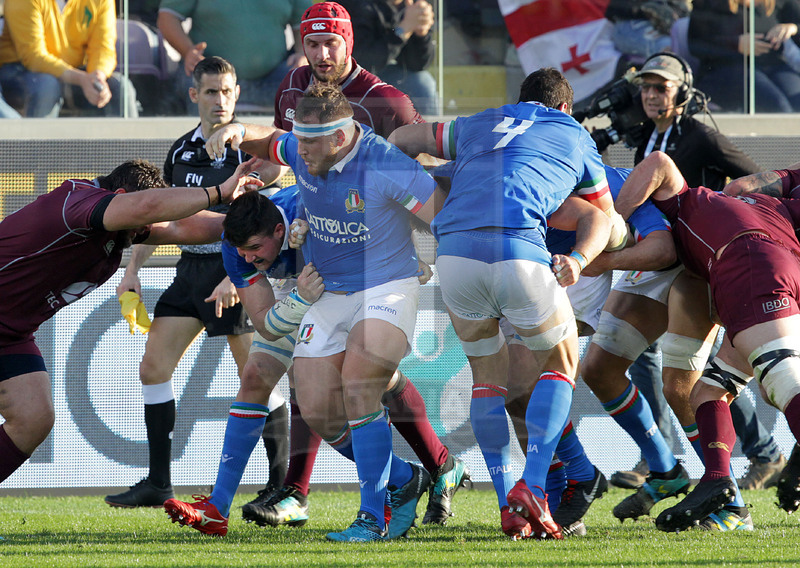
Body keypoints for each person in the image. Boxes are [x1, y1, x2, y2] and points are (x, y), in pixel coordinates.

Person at [247, 1, 469, 531]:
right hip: (323, 259)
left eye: (332, 42)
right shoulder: (292, 88)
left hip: (386, 266)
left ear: (351, 42)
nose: (322, 53)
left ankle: (319, 495)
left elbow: (426, 177)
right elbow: (285, 154)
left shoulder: (386, 102)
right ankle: (428, 469)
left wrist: (425, 251)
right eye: (313, 43)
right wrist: (269, 193)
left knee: (361, 379)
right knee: (324, 386)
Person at [193, 83, 447, 542]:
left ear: (340, 136)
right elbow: (271, 140)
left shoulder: (385, 163)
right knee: (315, 408)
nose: (299, 151)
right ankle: (406, 478)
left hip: (385, 286)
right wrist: (237, 130)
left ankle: (372, 516)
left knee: (359, 384)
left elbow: (444, 218)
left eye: (309, 142)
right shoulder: (303, 151)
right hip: (326, 293)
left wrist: (441, 263)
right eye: (299, 139)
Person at [389, 67, 625, 540]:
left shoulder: (479, 123)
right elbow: (604, 217)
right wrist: (580, 259)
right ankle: (534, 486)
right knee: (561, 363)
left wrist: (423, 191)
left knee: (488, 380)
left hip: (454, 257)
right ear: (565, 108)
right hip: (519, 253)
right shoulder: (573, 133)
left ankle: (506, 504)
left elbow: (399, 138)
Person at [0, 158, 262, 486]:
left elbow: (180, 227)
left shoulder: (114, 223)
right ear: (121, 197)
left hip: (11, 334)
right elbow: (145, 206)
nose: (143, 231)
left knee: (33, 417)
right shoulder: (77, 203)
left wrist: (253, 221)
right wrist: (219, 192)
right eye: (142, 223)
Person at [103, 57, 287, 508]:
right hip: (189, 271)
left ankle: (282, 487)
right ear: (194, 95)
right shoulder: (180, 151)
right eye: (210, 91)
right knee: (152, 368)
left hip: (237, 273)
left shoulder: (254, 148)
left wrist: (234, 276)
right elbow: (160, 215)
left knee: (258, 377)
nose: (219, 100)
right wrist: (132, 270)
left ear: (237, 94)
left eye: (226, 91)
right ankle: (158, 483)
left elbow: (272, 207)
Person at [611, 51, 785, 492]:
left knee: (698, 367)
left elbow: (754, 178)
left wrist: (727, 213)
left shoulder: (702, 136)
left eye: (662, 87)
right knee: (651, 356)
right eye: (646, 87)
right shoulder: (645, 136)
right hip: (664, 259)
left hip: (700, 263)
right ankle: (664, 456)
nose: (651, 95)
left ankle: (759, 453)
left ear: (683, 93)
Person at [616, 151, 800, 531]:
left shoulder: (687, 202)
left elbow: (660, 163)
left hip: (749, 262)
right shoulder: (774, 205)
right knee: (707, 391)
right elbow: (743, 186)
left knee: (781, 379)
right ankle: (719, 481)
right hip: (775, 265)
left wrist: (613, 221)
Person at [162, 187, 321, 537]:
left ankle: (415, 473)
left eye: (254, 248)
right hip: (301, 288)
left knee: (355, 394)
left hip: (345, 286)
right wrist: (299, 299)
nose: (246, 258)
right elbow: (265, 322)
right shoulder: (235, 247)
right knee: (256, 374)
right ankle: (218, 508)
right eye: (241, 250)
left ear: (278, 231)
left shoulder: (309, 204)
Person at [157, 0, 310, 113]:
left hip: (272, 79)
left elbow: (305, 22)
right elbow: (167, 17)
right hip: (212, 79)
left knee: (304, 79)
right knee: (196, 81)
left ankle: (287, 144)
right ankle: (201, 145)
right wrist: (188, 51)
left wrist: (302, 54)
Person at [0, 0, 139, 117]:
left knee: (120, 87)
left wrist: (97, 77)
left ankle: (129, 142)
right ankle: (38, 141)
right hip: (20, 71)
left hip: (74, 71)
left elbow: (103, 48)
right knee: (47, 85)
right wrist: (81, 79)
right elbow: (33, 57)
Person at [689, 0, 800, 112]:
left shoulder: (779, 2)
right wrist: (735, 44)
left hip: (774, 65)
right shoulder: (711, 3)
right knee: (778, 106)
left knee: (797, 101)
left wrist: (793, 28)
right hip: (727, 70)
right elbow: (695, 43)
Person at [338, 0, 439, 116]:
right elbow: (364, 61)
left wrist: (421, 34)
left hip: (394, 74)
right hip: (351, 78)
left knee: (422, 83)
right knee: (421, 84)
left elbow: (418, 65)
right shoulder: (355, 4)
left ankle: (432, 127)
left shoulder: (411, 5)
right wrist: (403, 30)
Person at [606, 0, 691, 59]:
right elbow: (614, 9)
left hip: (669, 27)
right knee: (671, 50)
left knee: (687, 46)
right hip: (629, 25)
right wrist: (644, 9)